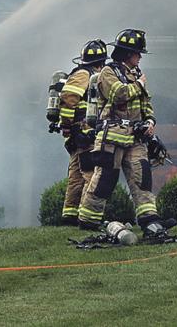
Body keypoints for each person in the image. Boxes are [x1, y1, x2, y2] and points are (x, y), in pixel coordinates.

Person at [77, 29, 173, 238]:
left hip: (136, 139)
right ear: (127, 53)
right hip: (112, 138)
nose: (139, 58)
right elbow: (118, 94)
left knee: (142, 178)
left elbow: (145, 104)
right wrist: (138, 85)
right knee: (104, 181)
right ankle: (88, 221)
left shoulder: (137, 75)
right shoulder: (108, 72)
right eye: (137, 53)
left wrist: (149, 121)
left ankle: (150, 222)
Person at [57, 39, 108, 225]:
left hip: (81, 133)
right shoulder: (84, 74)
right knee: (90, 174)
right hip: (84, 134)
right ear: (101, 62)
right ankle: (86, 217)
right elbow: (69, 98)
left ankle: (70, 215)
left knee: (77, 177)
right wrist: (68, 125)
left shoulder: (90, 74)